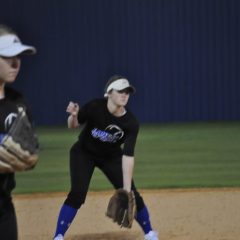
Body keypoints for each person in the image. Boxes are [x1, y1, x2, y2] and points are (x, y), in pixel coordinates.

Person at [53, 75, 159, 240]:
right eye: (120, 91)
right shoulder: (95, 106)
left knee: (133, 194)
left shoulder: (131, 123)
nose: (125, 95)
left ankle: (150, 233)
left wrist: (126, 189)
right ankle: (58, 236)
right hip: (84, 153)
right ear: (109, 93)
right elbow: (72, 126)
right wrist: (73, 116)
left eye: (127, 92)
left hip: (111, 156)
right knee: (77, 193)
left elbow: (128, 155)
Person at [0, 24, 36, 240]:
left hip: (3, 205)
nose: (16, 63)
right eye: (8, 56)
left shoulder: (18, 103)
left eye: (19, 56)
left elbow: (29, 147)